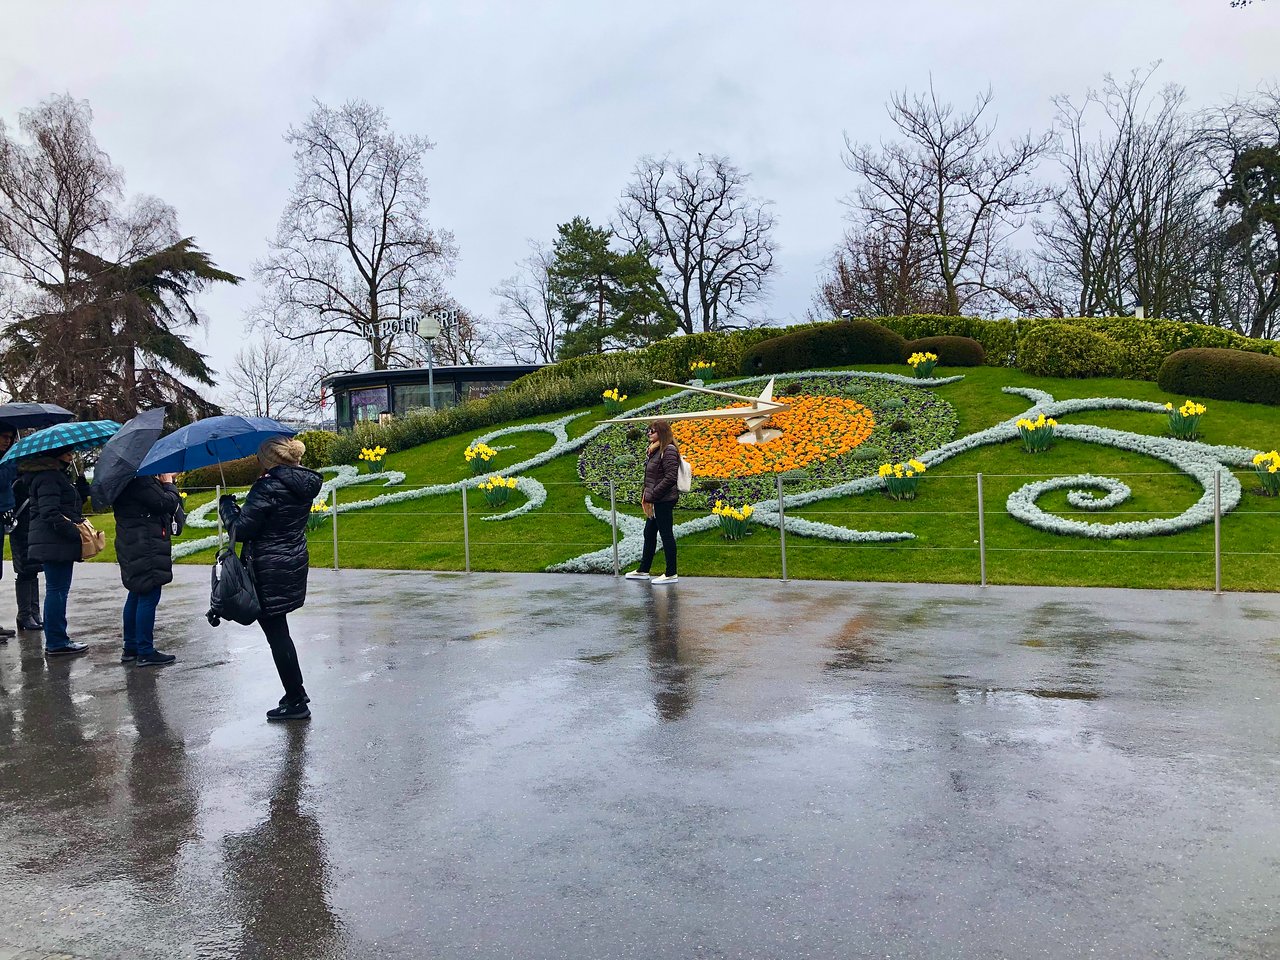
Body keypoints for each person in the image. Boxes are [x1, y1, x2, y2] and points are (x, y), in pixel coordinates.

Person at [220, 436, 322, 722]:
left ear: (267, 459)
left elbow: (243, 529)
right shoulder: (301, 484)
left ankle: (296, 699)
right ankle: (294, 694)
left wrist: (227, 508)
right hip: (290, 561)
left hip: (268, 566)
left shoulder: (267, 487)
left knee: (277, 634)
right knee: (280, 630)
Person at [23, 448, 92, 656]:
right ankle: (56, 641)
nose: (71, 456)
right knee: (57, 590)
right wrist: (74, 532)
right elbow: (50, 512)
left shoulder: (56, 476)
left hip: (54, 542)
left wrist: (81, 488)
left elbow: (67, 504)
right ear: (56, 455)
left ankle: (58, 639)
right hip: (54, 542)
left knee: (58, 590)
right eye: (67, 453)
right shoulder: (49, 477)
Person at [113, 473, 184, 667]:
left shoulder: (122, 479)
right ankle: (145, 650)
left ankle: (131, 647)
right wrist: (169, 484)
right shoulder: (140, 481)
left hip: (132, 542)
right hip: (146, 545)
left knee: (136, 592)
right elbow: (164, 503)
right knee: (149, 593)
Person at [625, 418, 681, 585]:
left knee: (666, 535)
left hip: (663, 500)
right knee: (649, 533)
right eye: (648, 430)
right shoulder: (654, 450)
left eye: (653, 431)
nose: (649, 433)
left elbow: (671, 477)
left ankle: (671, 573)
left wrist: (654, 494)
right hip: (656, 500)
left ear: (662, 433)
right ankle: (644, 570)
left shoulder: (668, 450)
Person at [10, 455, 44, 633]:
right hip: (22, 531)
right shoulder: (19, 485)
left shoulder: (31, 482)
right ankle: (25, 614)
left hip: (32, 530)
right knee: (25, 571)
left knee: (33, 571)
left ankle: (33, 612)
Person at [0, 423, 18, 642]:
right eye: (3, 437)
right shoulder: (6, 462)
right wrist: (10, 463)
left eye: (10, 438)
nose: (7, 441)